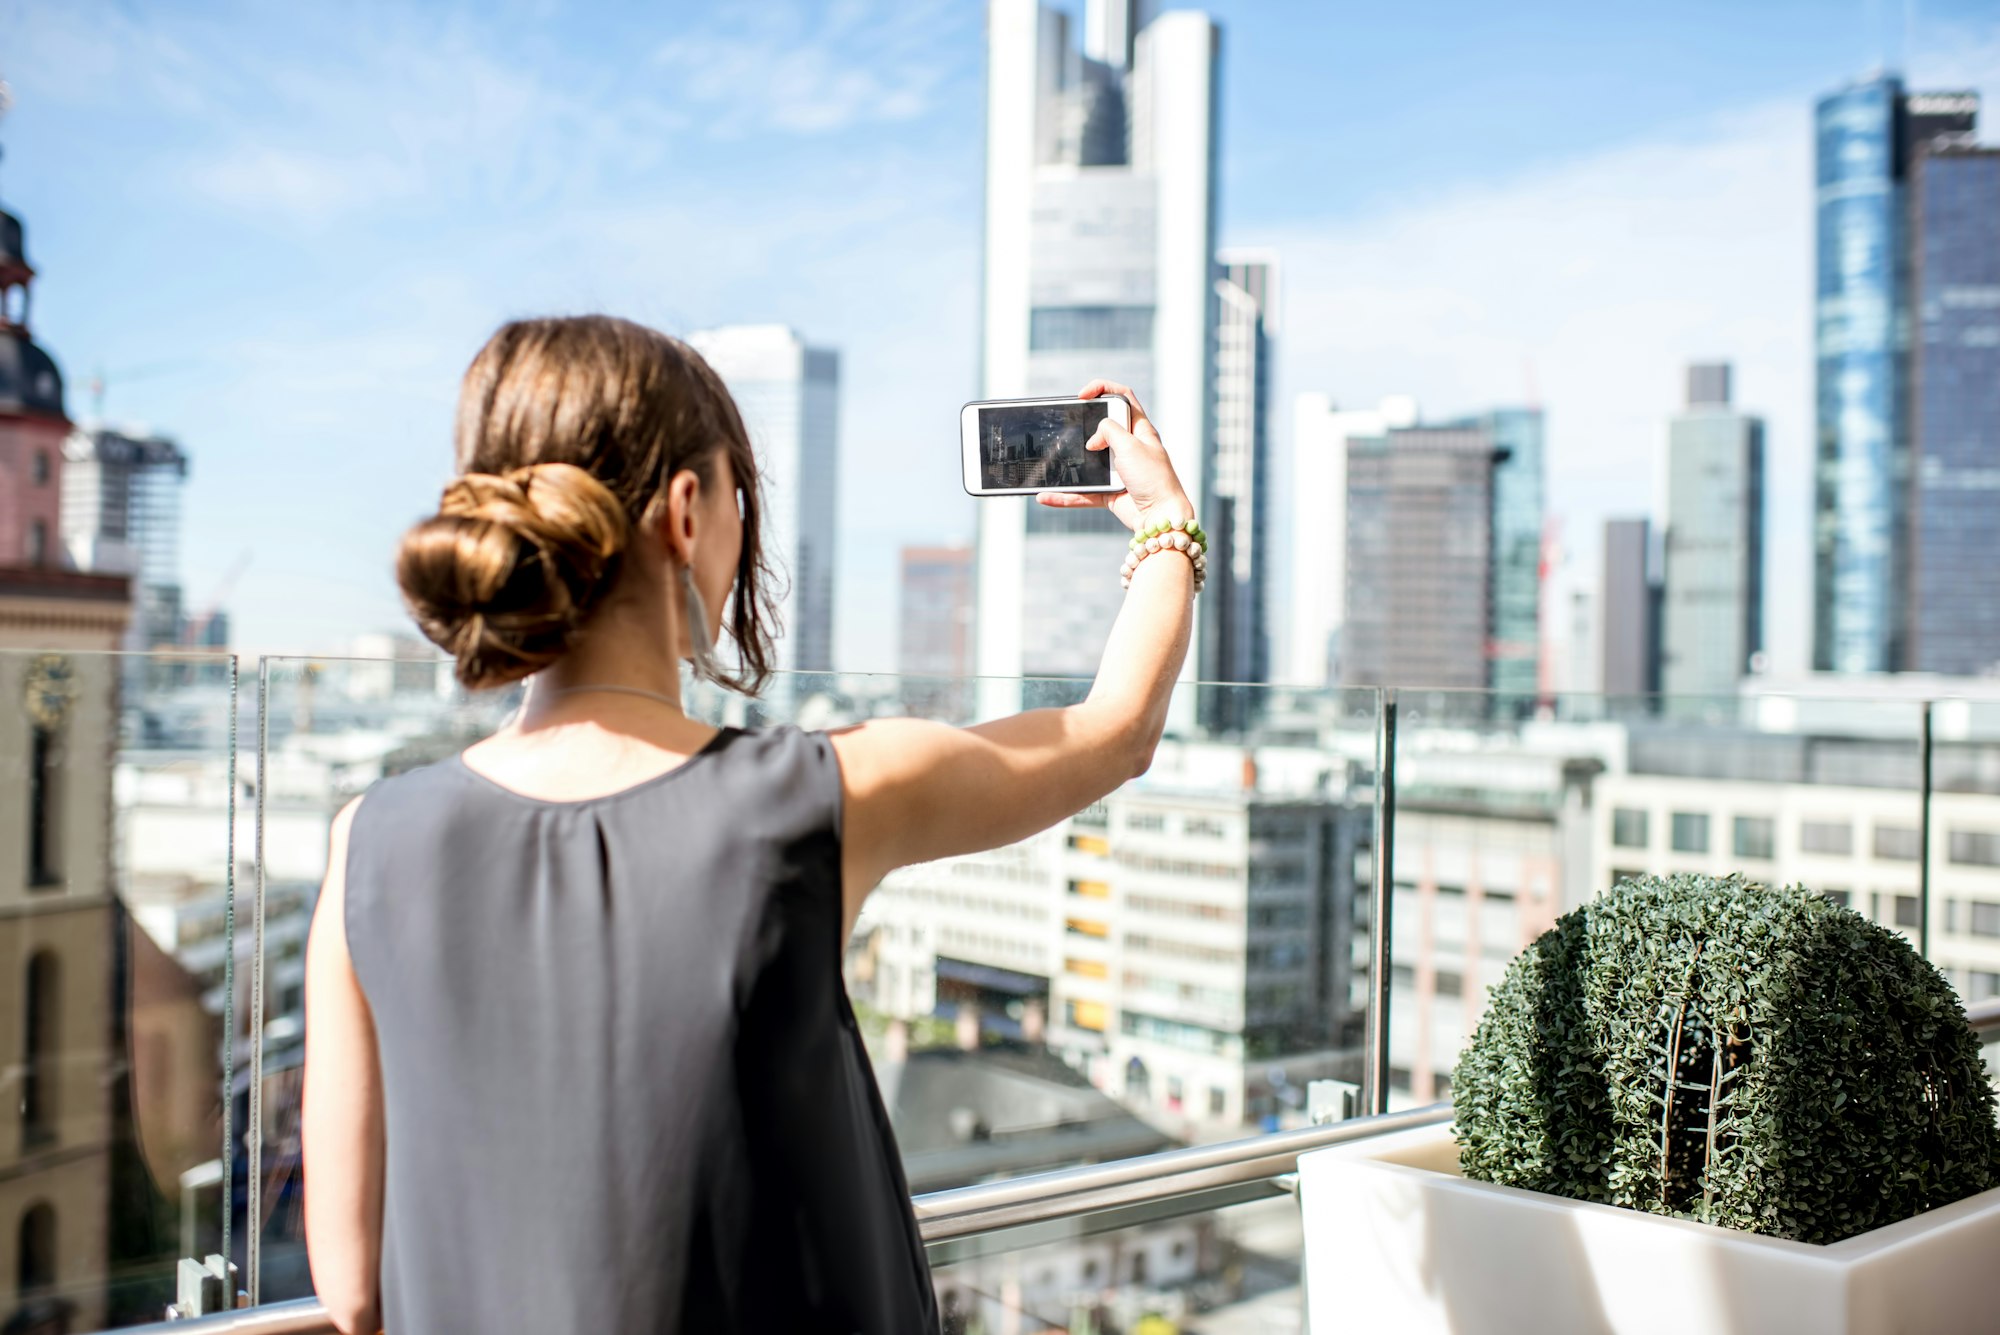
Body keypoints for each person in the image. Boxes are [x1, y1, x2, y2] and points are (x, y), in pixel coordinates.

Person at [301, 315, 1198, 1334]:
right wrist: (1165, 522)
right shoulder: (812, 798)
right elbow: (1112, 731)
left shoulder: (368, 840)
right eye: (739, 496)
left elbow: (355, 1284)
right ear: (686, 513)